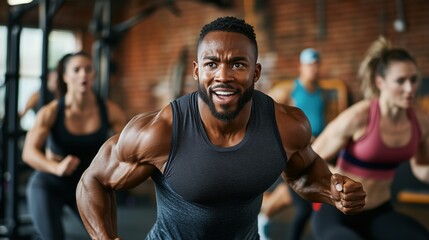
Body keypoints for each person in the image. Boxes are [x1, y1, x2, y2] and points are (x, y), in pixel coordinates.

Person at [76, 16, 366, 240]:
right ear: (196, 70)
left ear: (256, 72)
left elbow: (304, 174)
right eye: (212, 64)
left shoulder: (287, 125)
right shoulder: (160, 131)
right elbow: (94, 181)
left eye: (238, 65)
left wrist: (335, 192)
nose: (223, 76)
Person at [311, 37, 429, 240]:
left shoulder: (421, 122)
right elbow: (310, 156)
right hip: (338, 211)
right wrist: (338, 182)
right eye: (401, 81)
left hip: (379, 210)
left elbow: (421, 167)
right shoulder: (359, 116)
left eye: (413, 79)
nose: (410, 88)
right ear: (380, 82)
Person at [22, 51, 127, 240]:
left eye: (88, 69)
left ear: (94, 74)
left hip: (88, 185)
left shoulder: (110, 111)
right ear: (65, 76)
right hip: (49, 185)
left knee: (106, 237)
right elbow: (28, 152)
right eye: (76, 70)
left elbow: (125, 148)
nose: (83, 74)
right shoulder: (51, 112)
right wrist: (57, 167)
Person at [260, 48, 325, 240]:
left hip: (313, 153)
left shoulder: (321, 93)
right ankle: (260, 217)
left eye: (316, 64)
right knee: (303, 207)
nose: (313, 69)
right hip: (294, 154)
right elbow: (263, 110)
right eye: (309, 65)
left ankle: (262, 216)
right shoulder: (290, 89)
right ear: (301, 67)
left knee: (294, 199)